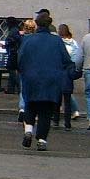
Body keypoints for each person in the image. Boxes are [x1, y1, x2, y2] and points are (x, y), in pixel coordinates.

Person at [17, 12, 74, 151]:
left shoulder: (28, 40)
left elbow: (20, 60)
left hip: (31, 78)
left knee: (30, 105)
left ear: (37, 24)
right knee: (46, 111)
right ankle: (42, 140)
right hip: (51, 80)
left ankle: (28, 131)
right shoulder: (57, 41)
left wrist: (24, 72)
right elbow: (66, 60)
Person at [56, 24, 83, 130]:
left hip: (58, 72)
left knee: (57, 100)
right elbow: (77, 58)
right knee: (67, 100)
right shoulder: (74, 43)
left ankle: (56, 121)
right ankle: (67, 124)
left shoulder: (58, 43)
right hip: (68, 73)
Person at [16, 19, 37, 122]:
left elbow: (19, 54)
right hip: (34, 67)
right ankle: (31, 110)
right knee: (34, 89)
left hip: (24, 67)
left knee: (23, 88)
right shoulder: (36, 39)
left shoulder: (21, 38)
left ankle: (22, 108)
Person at [3, 17, 21, 95]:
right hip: (14, 52)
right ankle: (12, 88)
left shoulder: (13, 31)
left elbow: (13, 40)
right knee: (12, 72)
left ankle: (14, 88)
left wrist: (8, 43)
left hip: (13, 53)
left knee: (13, 72)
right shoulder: (15, 30)